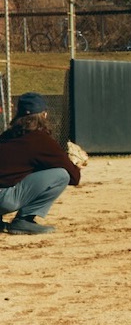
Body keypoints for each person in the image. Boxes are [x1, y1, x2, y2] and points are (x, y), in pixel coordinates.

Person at [0, 92, 81, 234]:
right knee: (61, 175)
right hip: (4, 199)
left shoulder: (6, 135)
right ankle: (25, 220)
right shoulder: (41, 140)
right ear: (44, 115)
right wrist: (74, 163)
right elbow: (74, 177)